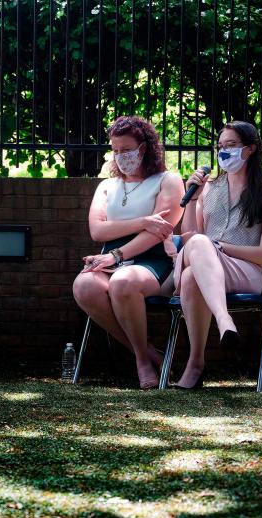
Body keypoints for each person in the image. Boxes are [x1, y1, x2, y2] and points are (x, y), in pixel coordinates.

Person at [172, 120, 262, 389]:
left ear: (251, 149)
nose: (224, 152)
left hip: (246, 271)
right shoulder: (208, 190)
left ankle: (205, 349)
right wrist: (191, 200)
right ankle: (206, 348)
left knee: (201, 252)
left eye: (231, 146)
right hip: (204, 264)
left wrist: (220, 247)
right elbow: (190, 239)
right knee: (191, 273)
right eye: (220, 146)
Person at [72, 116, 185, 389]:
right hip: (109, 260)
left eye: (127, 150)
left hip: (154, 261)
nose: (121, 156)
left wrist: (116, 255)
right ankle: (147, 353)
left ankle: (142, 363)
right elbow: (98, 231)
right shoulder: (107, 186)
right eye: (116, 150)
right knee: (84, 285)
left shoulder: (168, 180)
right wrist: (142, 221)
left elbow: (158, 230)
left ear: (144, 148)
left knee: (123, 282)